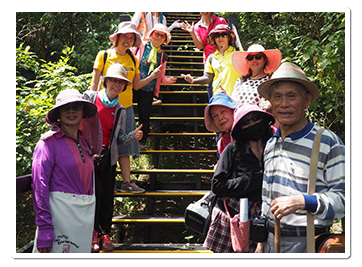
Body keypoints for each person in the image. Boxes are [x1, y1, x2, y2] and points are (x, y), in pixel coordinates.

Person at [255, 62, 345, 253]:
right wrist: (261, 241)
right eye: (277, 97)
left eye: (292, 96)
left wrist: (303, 201)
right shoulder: (271, 143)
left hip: (308, 242)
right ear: (270, 101)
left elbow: (346, 199)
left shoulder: (327, 142)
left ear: (306, 100)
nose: (284, 104)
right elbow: (266, 199)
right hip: (270, 242)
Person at [90, 21, 160, 193]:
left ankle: (126, 182)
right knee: (101, 142)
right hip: (104, 107)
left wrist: (152, 77)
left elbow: (136, 86)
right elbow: (94, 84)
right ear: (118, 37)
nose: (128, 40)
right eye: (125, 36)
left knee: (126, 145)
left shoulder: (132, 59)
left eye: (131, 37)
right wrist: (90, 107)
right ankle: (97, 177)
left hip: (125, 107)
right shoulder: (104, 55)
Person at [31, 89, 102, 253]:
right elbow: (39, 186)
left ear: (83, 112)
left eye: (76, 107)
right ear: (58, 113)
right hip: (58, 221)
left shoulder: (84, 144)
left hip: (82, 221)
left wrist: (90, 225)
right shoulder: (48, 143)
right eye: (66, 108)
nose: (71, 111)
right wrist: (44, 227)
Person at [84, 63, 143, 252]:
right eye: (114, 81)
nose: (117, 85)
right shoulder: (90, 98)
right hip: (87, 157)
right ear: (106, 81)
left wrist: (133, 136)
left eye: (121, 82)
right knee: (94, 195)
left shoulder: (121, 109)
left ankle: (104, 233)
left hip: (108, 158)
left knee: (107, 195)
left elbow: (119, 139)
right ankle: (91, 232)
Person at [204, 103, 276, 253]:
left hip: (262, 220)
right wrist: (252, 179)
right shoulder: (232, 150)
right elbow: (217, 185)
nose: (252, 124)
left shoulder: (274, 148)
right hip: (231, 219)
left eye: (256, 119)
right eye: (246, 122)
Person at [132, 24, 177, 149]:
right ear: (151, 35)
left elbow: (161, 77)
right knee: (127, 111)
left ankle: (142, 141)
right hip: (134, 84)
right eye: (156, 34)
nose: (158, 37)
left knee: (144, 115)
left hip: (148, 88)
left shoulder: (163, 56)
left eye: (162, 35)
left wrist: (167, 80)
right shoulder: (139, 48)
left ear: (164, 40)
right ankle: (126, 138)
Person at [182, 24, 241, 98]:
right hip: (219, 96)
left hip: (237, 95)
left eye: (224, 34)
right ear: (214, 39)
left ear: (229, 37)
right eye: (217, 35)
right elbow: (207, 77)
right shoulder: (211, 58)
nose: (220, 37)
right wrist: (193, 80)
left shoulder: (238, 53)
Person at [181, 12, 229, 99]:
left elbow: (229, 37)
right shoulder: (197, 26)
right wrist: (192, 33)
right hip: (210, 59)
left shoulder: (220, 21)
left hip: (225, 57)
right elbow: (199, 46)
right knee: (211, 85)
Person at [231, 44, 282, 111]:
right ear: (247, 62)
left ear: (264, 60)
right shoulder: (241, 81)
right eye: (250, 58)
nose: (254, 60)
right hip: (241, 117)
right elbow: (234, 102)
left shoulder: (270, 81)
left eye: (258, 57)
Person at [204, 93, 239, 158]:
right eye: (215, 116)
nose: (220, 118)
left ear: (232, 111)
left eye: (223, 112)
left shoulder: (247, 132)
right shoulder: (222, 141)